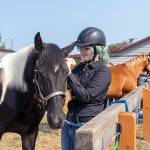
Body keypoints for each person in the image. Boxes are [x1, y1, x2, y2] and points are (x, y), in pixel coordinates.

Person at [61, 27, 111, 150]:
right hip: (69, 123)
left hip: (87, 126)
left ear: (97, 49)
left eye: (86, 48)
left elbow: (86, 96)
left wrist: (68, 73)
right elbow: (65, 86)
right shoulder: (79, 68)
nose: (82, 52)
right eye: (81, 49)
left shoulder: (103, 71)